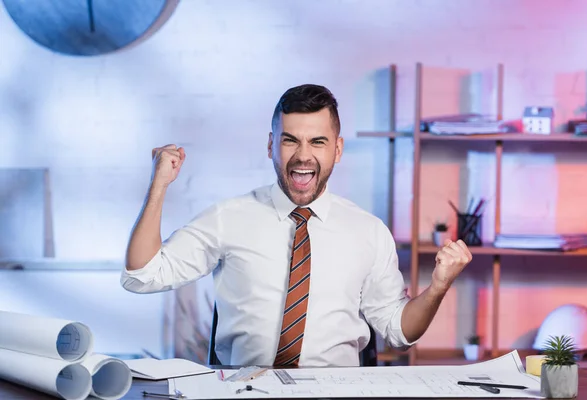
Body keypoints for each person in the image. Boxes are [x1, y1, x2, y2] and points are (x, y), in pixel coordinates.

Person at [121, 84, 472, 367]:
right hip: (245, 391)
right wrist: (159, 186)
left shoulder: (369, 231)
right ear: (272, 144)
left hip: (338, 394)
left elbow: (399, 331)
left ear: (337, 150)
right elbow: (142, 275)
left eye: (317, 142)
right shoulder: (228, 217)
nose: (303, 156)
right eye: (290, 140)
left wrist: (438, 287)